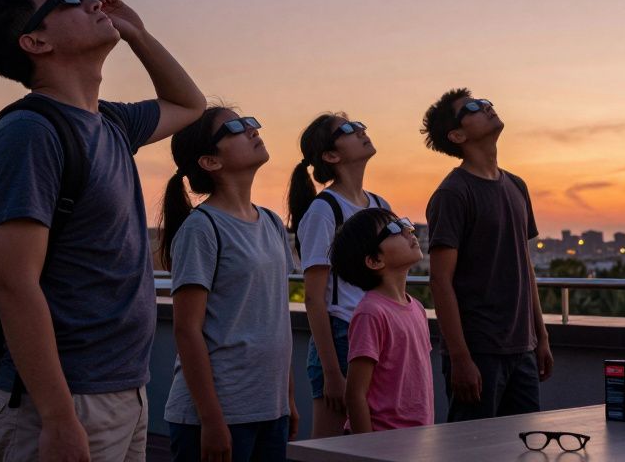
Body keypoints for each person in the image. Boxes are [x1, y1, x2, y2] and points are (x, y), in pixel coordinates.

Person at [0, 0, 204, 462]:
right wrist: (56, 417)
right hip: (64, 400)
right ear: (35, 41)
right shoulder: (29, 134)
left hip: (125, 390)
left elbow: (189, 104)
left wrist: (136, 34)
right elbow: (13, 284)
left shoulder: (111, 121)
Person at [160, 108, 299, 462]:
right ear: (209, 160)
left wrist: (288, 399)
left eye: (250, 121)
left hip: (270, 410)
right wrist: (211, 420)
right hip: (219, 415)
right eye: (236, 128)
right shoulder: (201, 229)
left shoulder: (270, 222)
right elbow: (186, 331)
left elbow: (274, 318)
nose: (252, 129)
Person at [420, 89, 553, 422]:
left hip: (522, 347)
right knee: (473, 450)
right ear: (457, 135)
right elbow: (440, 280)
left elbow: (526, 267)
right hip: (479, 350)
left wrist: (541, 336)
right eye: (474, 108)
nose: (488, 107)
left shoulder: (516, 186)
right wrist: (461, 358)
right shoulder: (453, 193)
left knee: (524, 448)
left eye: (486, 102)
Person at [287, 114, 390, 438]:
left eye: (360, 124)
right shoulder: (324, 210)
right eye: (348, 130)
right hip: (342, 334)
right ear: (331, 156)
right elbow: (314, 299)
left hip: (379, 331)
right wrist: (331, 373)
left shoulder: (378, 204)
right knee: (332, 449)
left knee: (375, 440)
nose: (362, 130)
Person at [328, 207, 433, 433]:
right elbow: (355, 394)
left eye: (403, 223)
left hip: (414, 440)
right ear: (374, 260)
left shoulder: (417, 308)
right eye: (394, 229)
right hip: (383, 442)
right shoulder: (371, 312)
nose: (408, 230)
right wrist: (367, 450)